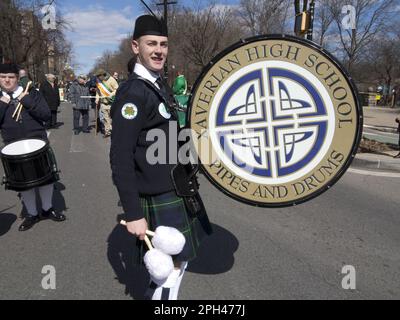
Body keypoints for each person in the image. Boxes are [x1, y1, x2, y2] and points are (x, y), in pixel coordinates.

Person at [110, 15, 212, 300]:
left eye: (163, 44)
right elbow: (120, 157)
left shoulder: (159, 85)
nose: (158, 50)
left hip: (176, 188)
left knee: (177, 262)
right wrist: (132, 214)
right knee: (170, 269)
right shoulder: (133, 94)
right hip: (156, 195)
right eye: (151, 43)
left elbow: (169, 134)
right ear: (135, 46)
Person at [0, 63, 66, 231]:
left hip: (38, 143)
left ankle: (47, 209)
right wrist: (3, 104)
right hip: (13, 147)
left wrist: (26, 99)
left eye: (11, 77)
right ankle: (32, 213)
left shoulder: (32, 93)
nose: (7, 80)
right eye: (3, 77)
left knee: (46, 179)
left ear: (17, 78)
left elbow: (45, 115)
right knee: (25, 184)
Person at [95, 69, 118, 138]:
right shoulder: (99, 81)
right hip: (103, 103)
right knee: (105, 118)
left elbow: (117, 89)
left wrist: (110, 95)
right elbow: (98, 92)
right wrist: (97, 99)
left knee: (112, 118)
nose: (98, 78)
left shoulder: (111, 79)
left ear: (102, 75)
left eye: (99, 76)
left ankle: (114, 131)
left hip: (112, 102)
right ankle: (107, 131)